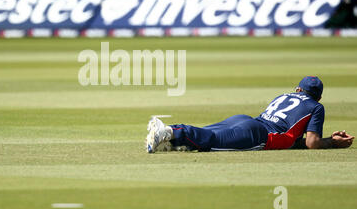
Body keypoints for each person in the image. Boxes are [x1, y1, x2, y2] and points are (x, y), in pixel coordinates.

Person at [146, 76, 354, 153]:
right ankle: (169, 131)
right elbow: (311, 143)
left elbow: (295, 140)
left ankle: (169, 142)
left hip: (244, 119)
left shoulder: (284, 95)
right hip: (258, 134)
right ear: (318, 97)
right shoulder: (316, 107)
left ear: (298, 90)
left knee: (208, 132)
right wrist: (332, 142)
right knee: (211, 141)